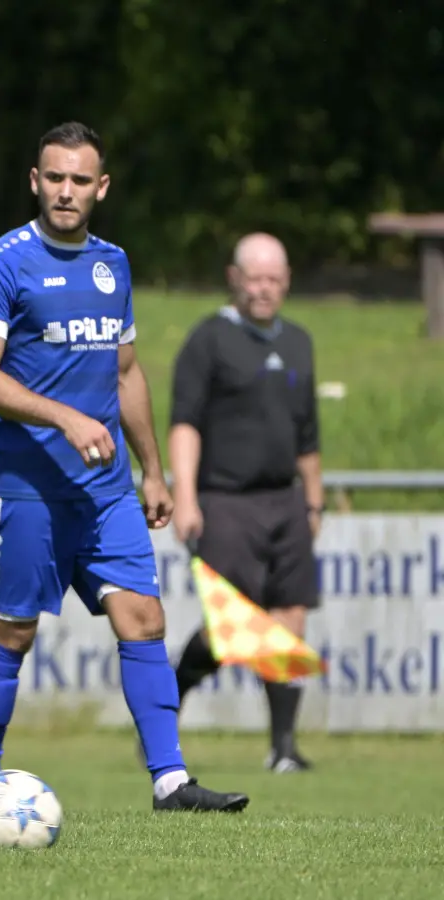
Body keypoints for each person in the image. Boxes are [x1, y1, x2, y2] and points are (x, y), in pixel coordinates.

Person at [0, 122, 249, 812]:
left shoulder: (112, 264)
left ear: (101, 187)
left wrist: (154, 470)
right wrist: (64, 415)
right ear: (35, 180)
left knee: (144, 619)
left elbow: (125, 371)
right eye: (54, 177)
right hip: (26, 489)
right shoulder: (1, 263)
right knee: (13, 632)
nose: (65, 191)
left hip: (107, 491)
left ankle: (170, 781)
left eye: (79, 180)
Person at [168, 233, 322, 773]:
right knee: (229, 630)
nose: (264, 288)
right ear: (235, 278)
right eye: (254, 278)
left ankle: (283, 748)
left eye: (274, 279)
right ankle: (170, 697)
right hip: (225, 500)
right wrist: (183, 496)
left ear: (286, 282)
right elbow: (184, 423)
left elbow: (307, 435)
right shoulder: (208, 340)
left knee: (288, 622)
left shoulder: (299, 342)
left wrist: (315, 502)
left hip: (286, 501)